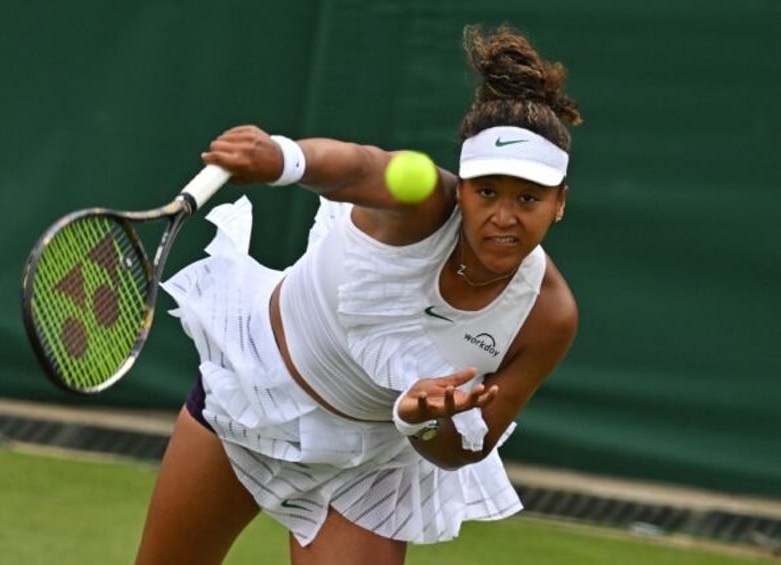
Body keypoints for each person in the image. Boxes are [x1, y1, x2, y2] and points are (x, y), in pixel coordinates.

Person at [135, 23, 583, 565]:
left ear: (559, 202)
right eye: (486, 192)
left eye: (529, 199)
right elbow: (361, 166)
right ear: (461, 187)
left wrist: (424, 418)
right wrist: (283, 159)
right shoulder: (419, 200)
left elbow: (468, 445)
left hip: (370, 465)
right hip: (254, 394)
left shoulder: (548, 315)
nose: (503, 218)